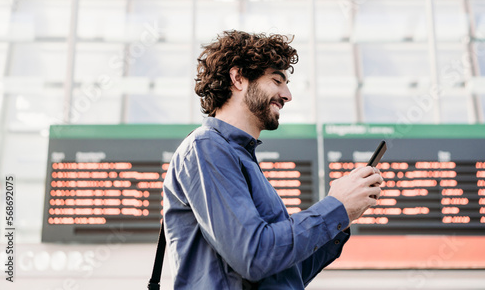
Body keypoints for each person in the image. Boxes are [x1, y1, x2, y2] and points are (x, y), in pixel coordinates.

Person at [162, 30, 383, 289]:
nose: (287, 94)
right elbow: (254, 256)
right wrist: (336, 206)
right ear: (238, 78)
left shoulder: (240, 158)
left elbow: (288, 273)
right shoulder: (207, 147)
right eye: (277, 80)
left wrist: (344, 216)